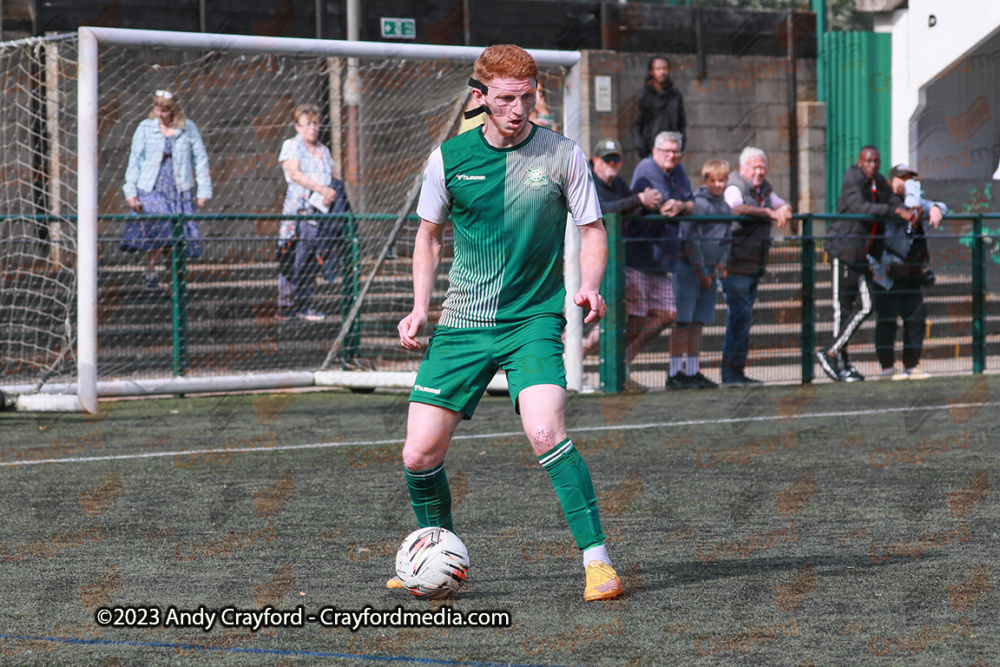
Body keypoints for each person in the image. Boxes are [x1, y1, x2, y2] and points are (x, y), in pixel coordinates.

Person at [393, 45, 621, 602]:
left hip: (534, 321)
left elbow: (592, 229)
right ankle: (436, 553)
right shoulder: (448, 159)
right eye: (505, 99)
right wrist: (420, 307)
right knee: (418, 454)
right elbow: (427, 235)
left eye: (526, 97)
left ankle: (599, 563)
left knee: (546, 431)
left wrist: (589, 285)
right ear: (481, 98)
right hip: (463, 323)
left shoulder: (564, 154)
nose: (517, 109)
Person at [817, 146, 917, 382]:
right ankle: (836, 358)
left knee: (866, 304)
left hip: (862, 255)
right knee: (844, 309)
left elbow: (892, 200)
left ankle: (835, 355)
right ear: (860, 162)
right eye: (868, 161)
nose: (872, 165)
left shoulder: (879, 181)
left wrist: (906, 210)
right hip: (844, 252)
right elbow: (860, 208)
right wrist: (896, 211)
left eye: (876, 161)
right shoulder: (852, 177)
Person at [587, 138, 662, 383]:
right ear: (595, 161)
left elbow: (631, 206)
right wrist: (639, 200)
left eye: (616, 158)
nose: (611, 163)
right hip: (588, 259)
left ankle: (613, 368)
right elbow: (603, 209)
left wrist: (656, 204)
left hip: (615, 260)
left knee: (627, 311)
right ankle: (575, 356)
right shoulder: (587, 180)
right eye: (607, 158)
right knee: (605, 313)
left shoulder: (618, 183)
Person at [120, 89, 211, 289]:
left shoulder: (188, 129)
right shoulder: (145, 128)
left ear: (174, 110)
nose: (160, 114)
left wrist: (203, 190)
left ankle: (175, 278)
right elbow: (134, 161)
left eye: (165, 110)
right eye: (157, 109)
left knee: (177, 238)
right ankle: (150, 272)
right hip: (151, 189)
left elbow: (201, 159)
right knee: (158, 232)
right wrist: (131, 192)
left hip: (179, 190)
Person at [721, 146, 792, 386]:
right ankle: (731, 374)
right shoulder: (734, 185)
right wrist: (769, 212)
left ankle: (736, 372)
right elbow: (735, 208)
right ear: (743, 168)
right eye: (755, 167)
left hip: (754, 263)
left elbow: (783, 205)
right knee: (740, 316)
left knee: (743, 317)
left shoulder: (765, 188)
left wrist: (783, 210)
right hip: (735, 263)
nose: (760, 171)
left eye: (763, 166)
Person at [629, 131, 694, 389]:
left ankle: (624, 360)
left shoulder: (677, 170)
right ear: (654, 152)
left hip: (662, 259)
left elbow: (691, 203)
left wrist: (680, 205)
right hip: (637, 255)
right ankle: (586, 357)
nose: (672, 156)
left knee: (668, 313)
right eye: (666, 151)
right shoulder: (647, 167)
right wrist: (679, 204)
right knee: (635, 316)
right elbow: (664, 205)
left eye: (676, 151)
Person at [871, 164, 946, 380]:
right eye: (903, 178)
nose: (909, 183)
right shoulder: (885, 198)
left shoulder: (914, 200)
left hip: (911, 272)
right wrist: (910, 206)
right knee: (887, 319)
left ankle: (911, 365)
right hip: (886, 272)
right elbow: (902, 211)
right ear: (893, 180)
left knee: (916, 317)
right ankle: (886, 367)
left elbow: (939, 206)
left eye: (912, 179)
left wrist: (935, 208)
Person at [670, 159, 733, 389]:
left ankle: (693, 370)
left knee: (698, 323)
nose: (717, 184)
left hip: (710, 272)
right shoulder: (698, 204)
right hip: (689, 270)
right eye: (712, 180)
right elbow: (691, 239)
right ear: (705, 181)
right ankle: (674, 372)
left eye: (722, 180)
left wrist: (721, 264)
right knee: (682, 321)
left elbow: (727, 239)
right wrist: (702, 270)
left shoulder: (726, 207)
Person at [277, 103, 341, 321]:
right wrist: (322, 189)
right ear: (297, 126)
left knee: (313, 260)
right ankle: (286, 305)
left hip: (322, 213)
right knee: (294, 259)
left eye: (315, 124)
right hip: (300, 212)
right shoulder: (291, 146)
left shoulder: (323, 151)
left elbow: (334, 178)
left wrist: (333, 193)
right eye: (307, 124)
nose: (312, 128)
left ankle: (306, 304)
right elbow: (294, 174)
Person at [630, 56, 686, 160]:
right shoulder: (642, 96)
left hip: (672, 152)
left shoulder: (675, 95)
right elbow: (636, 126)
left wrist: (679, 146)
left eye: (665, 69)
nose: (662, 72)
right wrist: (642, 151)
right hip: (650, 152)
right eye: (658, 69)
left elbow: (681, 124)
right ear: (651, 72)